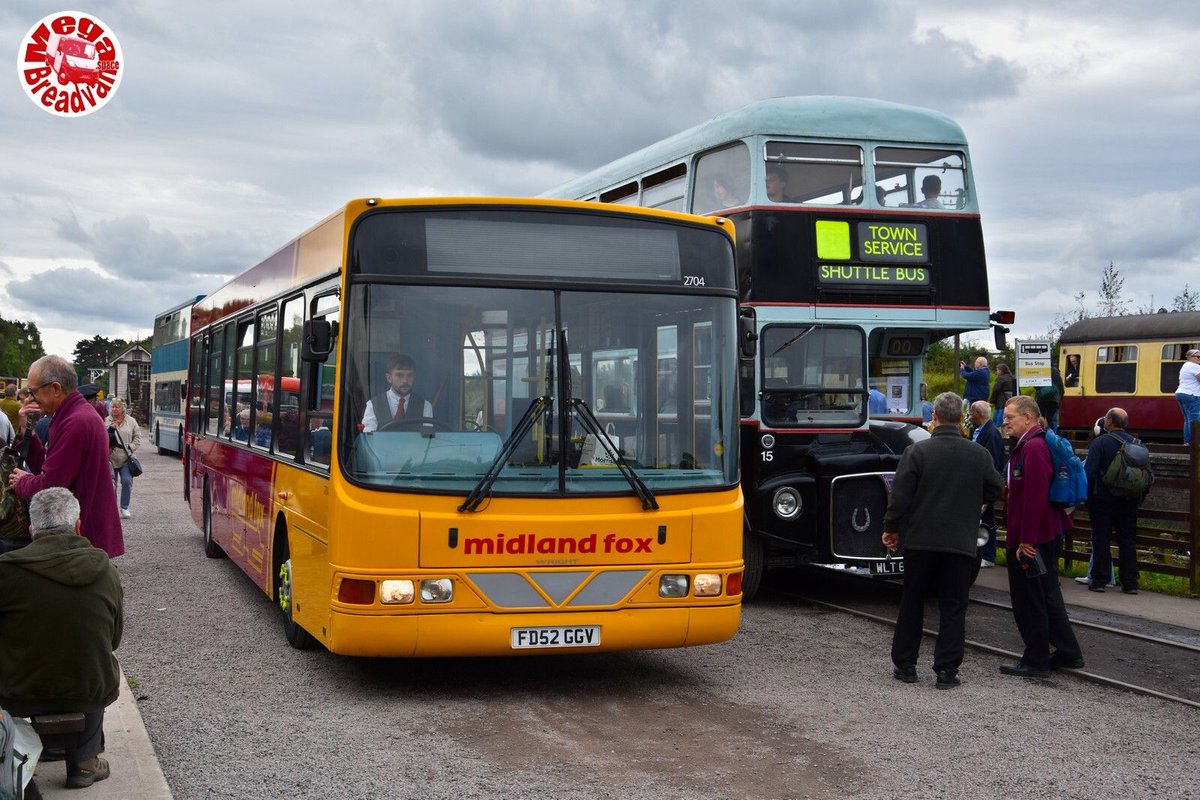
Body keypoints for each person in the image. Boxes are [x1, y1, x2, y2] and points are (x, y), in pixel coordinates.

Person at [0, 487, 122, 791]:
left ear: (31, 531)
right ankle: (84, 762)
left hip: (17, 691)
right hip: (88, 690)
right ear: (78, 526)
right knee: (96, 659)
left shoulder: (6, 571)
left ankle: (14, 753)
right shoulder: (105, 569)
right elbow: (114, 638)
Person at [882, 392, 1004, 689]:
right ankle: (947, 671)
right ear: (960, 417)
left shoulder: (917, 453)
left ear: (934, 417)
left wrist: (891, 527)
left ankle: (906, 665)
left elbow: (900, 495)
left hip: (921, 540)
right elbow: (996, 489)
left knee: (912, 602)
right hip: (960, 542)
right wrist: (971, 500)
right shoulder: (978, 454)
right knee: (953, 606)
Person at [999, 395, 1085, 677]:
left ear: (1028, 417)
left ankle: (1036, 659)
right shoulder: (1032, 443)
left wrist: (1026, 540)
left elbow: (1034, 499)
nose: (1005, 421)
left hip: (1031, 538)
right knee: (1046, 594)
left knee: (1029, 599)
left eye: (1010, 416)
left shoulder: (1033, 448)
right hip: (1042, 533)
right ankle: (1068, 653)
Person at [7, 356, 123, 558]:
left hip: (81, 535)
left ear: (56, 388)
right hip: (85, 531)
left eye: (34, 392)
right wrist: (29, 434)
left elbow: (51, 485)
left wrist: (22, 481)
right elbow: (53, 468)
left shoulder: (74, 423)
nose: (30, 399)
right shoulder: (78, 415)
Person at [1084, 408, 1143, 595]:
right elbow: (1146, 475)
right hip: (1129, 501)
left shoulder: (1100, 443)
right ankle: (1130, 583)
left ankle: (1100, 581)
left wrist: (1087, 499)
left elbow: (1090, 473)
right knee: (1127, 541)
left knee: (1101, 540)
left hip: (1102, 500)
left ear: (1109, 422)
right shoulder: (1137, 444)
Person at [969, 401, 1007, 568]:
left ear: (978, 414)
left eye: (971, 412)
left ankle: (988, 554)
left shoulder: (990, 433)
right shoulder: (983, 430)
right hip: (978, 482)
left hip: (984, 484)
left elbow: (991, 460)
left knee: (987, 519)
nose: (970, 416)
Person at [360, 353, 434, 433]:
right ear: (389, 378)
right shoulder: (373, 405)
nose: (405, 380)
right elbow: (369, 438)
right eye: (399, 375)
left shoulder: (425, 406)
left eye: (410, 375)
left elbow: (427, 440)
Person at [105, 398, 141, 520]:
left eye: (117, 407)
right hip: (111, 458)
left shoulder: (131, 421)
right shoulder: (106, 421)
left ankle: (124, 507)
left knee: (126, 481)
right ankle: (112, 509)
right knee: (111, 485)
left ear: (123, 408)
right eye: (113, 407)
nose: (114, 409)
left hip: (126, 457)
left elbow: (137, 437)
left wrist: (130, 448)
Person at [1174, 348, 1200, 444]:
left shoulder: (1185, 365)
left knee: (1187, 419)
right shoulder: (1194, 366)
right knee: (1194, 420)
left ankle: (1187, 442)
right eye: (1198, 356)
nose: (1199, 358)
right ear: (1190, 357)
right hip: (1191, 395)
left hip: (1181, 393)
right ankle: (1194, 443)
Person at [1035, 363, 1065, 432]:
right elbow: (1061, 387)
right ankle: (1052, 436)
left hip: (1041, 399)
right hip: (1054, 399)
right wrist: (1059, 399)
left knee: (1039, 418)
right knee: (1052, 420)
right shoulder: (1055, 371)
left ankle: (1041, 434)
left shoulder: (1039, 370)